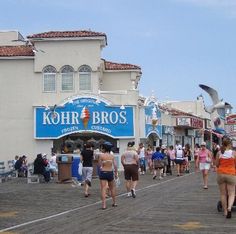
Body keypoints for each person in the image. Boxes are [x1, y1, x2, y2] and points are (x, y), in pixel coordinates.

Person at [215, 138, 236, 219]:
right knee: (231, 194)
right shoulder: (234, 153)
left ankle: (225, 211)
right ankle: (229, 208)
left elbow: (217, 164)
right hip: (231, 174)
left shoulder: (219, 153)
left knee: (223, 194)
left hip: (221, 174)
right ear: (230, 144)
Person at [98, 142, 118, 209]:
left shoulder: (101, 156)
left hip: (103, 172)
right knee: (112, 188)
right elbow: (115, 165)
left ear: (104, 149)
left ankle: (104, 205)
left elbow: (99, 165)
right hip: (110, 172)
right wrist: (116, 173)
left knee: (103, 188)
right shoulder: (112, 156)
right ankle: (114, 202)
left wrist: (104, 163)